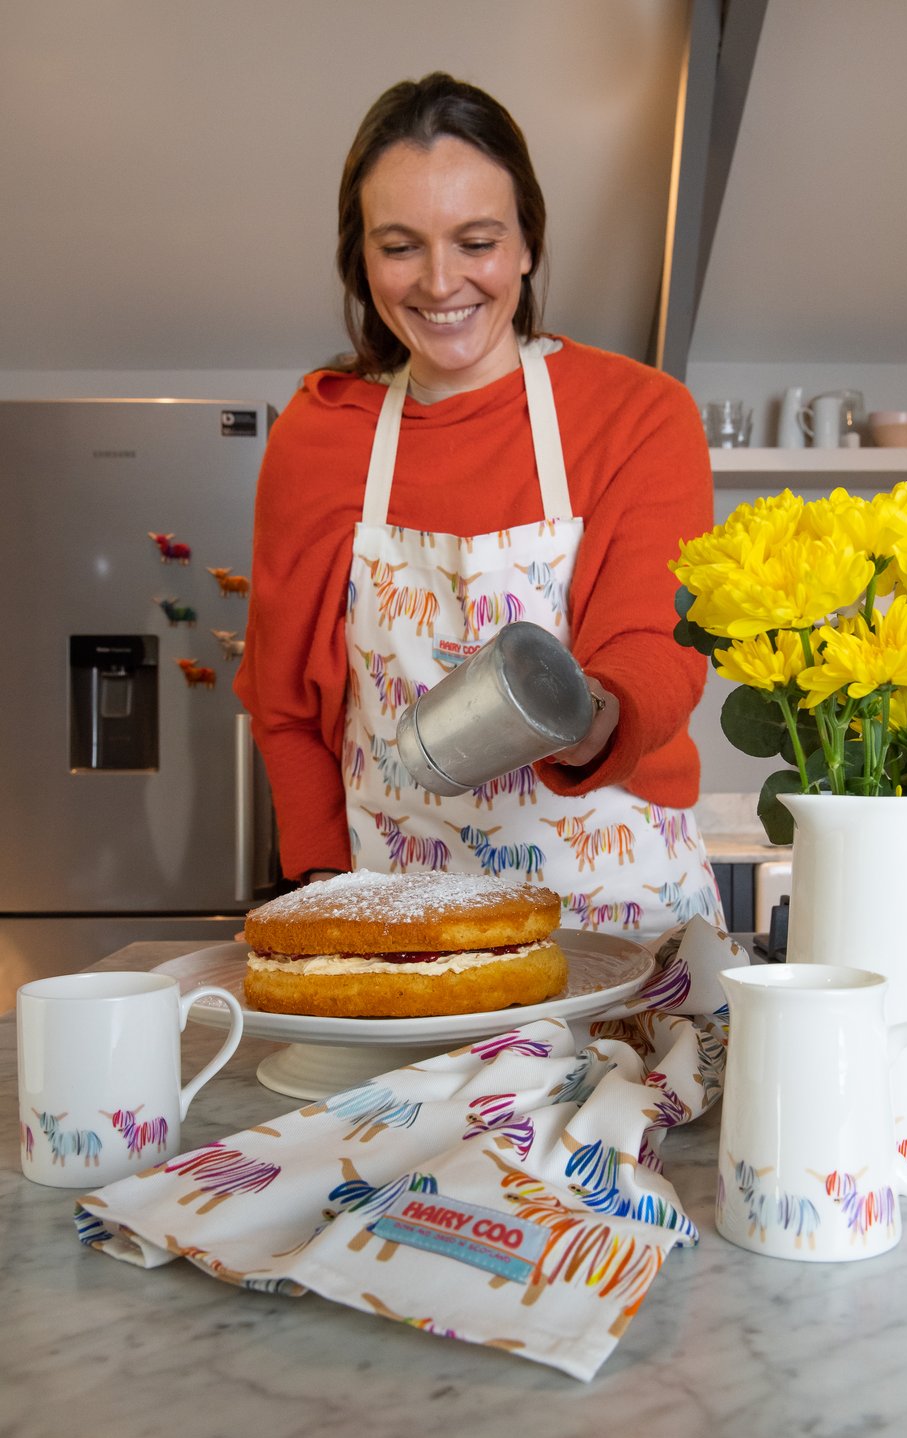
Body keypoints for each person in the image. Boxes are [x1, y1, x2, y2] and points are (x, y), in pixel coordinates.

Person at [235, 71, 723, 939]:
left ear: (528, 244)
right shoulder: (320, 434)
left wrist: (579, 721)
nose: (440, 281)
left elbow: (655, 650)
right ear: (361, 258)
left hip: (619, 913)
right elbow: (282, 704)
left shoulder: (639, 414)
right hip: (399, 921)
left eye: (477, 241)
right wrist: (324, 897)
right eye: (399, 246)